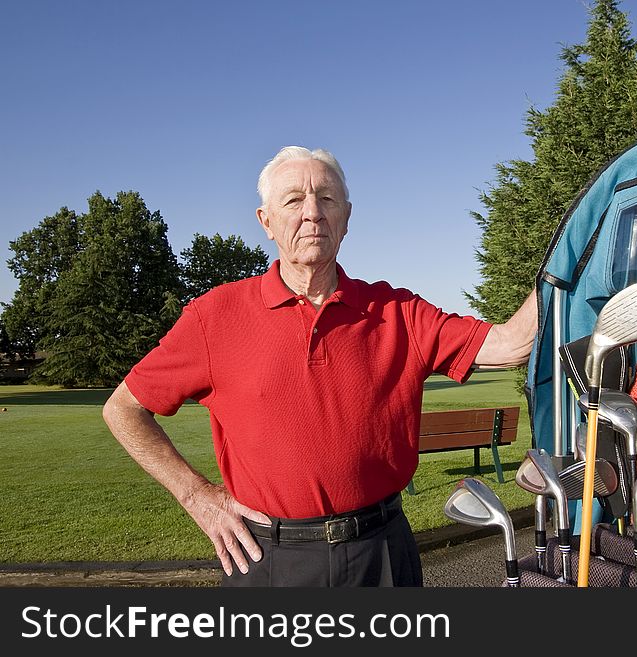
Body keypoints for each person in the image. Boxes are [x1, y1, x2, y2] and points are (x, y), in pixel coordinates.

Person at [102, 145, 538, 587]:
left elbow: (511, 344)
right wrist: (196, 495)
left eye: (326, 199)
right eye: (293, 200)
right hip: (268, 558)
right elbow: (123, 408)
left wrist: (576, 251)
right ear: (266, 221)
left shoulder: (397, 310)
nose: (313, 212)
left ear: (346, 217)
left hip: (383, 553)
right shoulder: (214, 316)